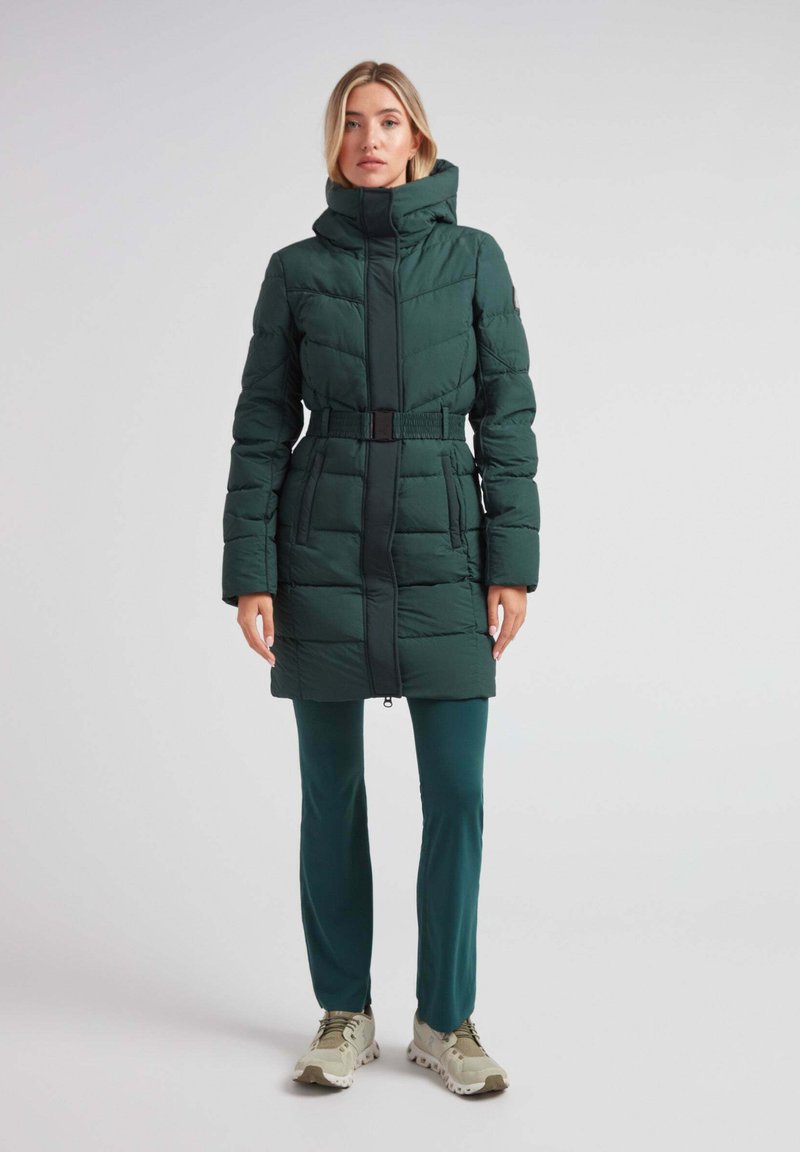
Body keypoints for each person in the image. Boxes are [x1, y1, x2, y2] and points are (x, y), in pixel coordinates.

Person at [221, 60, 540, 1096]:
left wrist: (512, 563)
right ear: (335, 142)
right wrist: (251, 570)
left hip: (445, 549)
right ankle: (342, 1014)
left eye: (388, 121)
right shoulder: (295, 271)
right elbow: (261, 427)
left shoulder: (475, 259)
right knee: (331, 796)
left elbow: (506, 417)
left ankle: (446, 1021)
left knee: (457, 794)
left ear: (417, 139)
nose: (369, 138)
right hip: (319, 550)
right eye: (352, 122)